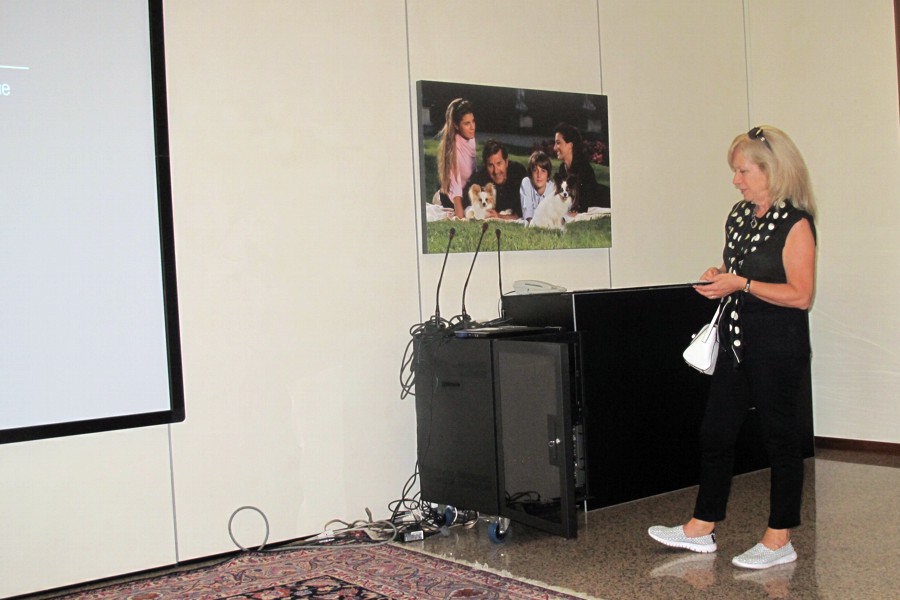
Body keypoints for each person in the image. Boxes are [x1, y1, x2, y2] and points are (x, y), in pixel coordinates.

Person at [648, 125, 817, 570]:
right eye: (735, 171)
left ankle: (779, 538)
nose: (735, 180)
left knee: (780, 440)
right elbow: (737, 268)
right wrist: (719, 275)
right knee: (715, 432)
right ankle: (701, 527)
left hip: (778, 347)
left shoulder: (795, 222)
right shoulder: (740, 216)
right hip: (736, 343)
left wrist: (740, 283)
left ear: (772, 170)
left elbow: (801, 295)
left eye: (743, 171)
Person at [553, 122, 610, 211]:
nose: (554, 148)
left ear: (570, 145)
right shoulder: (562, 169)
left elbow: (583, 204)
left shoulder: (583, 169)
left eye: (558, 143)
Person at [436, 98, 477, 219]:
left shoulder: (471, 139)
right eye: (467, 123)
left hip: (467, 192)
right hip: (453, 198)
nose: (472, 127)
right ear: (456, 125)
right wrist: (460, 218)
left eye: (473, 121)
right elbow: (456, 190)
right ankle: (437, 196)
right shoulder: (454, 149)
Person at [467, 139, 527, 219]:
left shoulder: (518, 173)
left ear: (506, 162)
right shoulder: (480, 177)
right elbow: (468, 205)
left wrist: (499, 216)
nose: (496, 171)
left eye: (499, 163)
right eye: (490, 165)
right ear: (485, 166)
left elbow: (523, 213)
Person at [520, 151, 556, 223]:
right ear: (530, 173)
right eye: (535, 170)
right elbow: (527, 212)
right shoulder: (526, 182)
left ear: (548, 175)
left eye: (543, 171)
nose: (539, 175)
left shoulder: (553, 188)